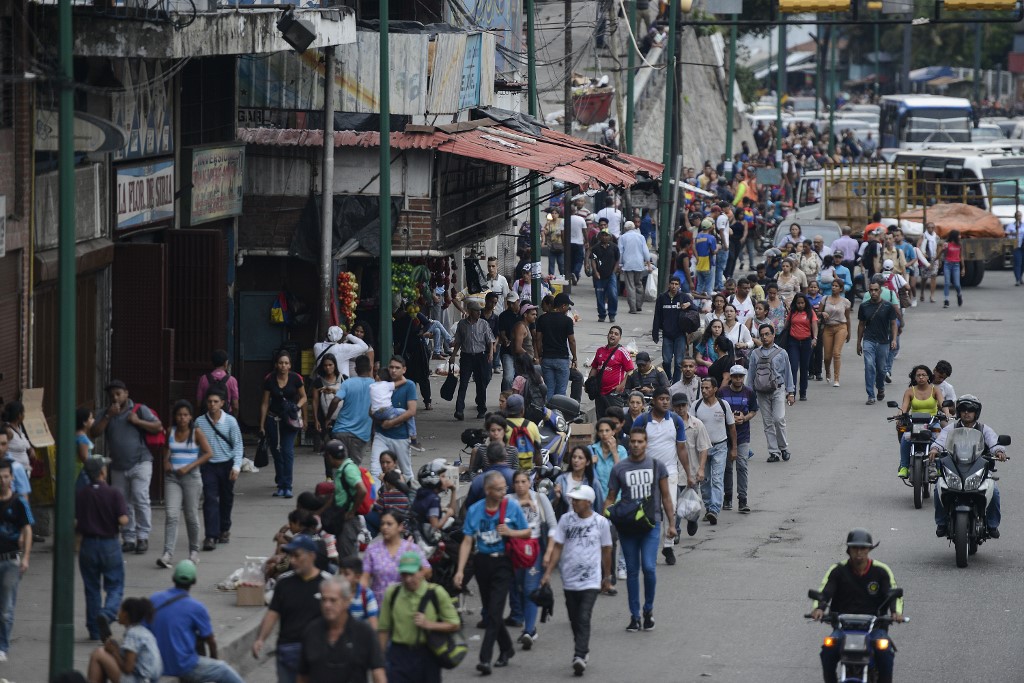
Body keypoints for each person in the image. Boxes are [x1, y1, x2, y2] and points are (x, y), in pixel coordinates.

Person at [454, 471, 531, 675]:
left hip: (504, 563)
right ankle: (507, 648)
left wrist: (510, 532)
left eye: (505, 488)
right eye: (499, 489)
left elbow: (527, 532)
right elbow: (468, 541)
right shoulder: (475, 510)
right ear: (487, 491)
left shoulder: (511, 507)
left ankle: (485, 658)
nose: (504, 491)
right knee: (491, 611)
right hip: (482, 563)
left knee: (494, 611)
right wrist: (460, 570)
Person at [602, 428, 677, 632]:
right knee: (633, 571)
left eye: (640, 442)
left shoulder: (656, 466)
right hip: (627, 527)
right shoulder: (620, 469)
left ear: (646, 443)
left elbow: (666, 497)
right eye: (633, 441)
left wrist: (671, 524)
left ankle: (648, 610)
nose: (635, 445)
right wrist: (603, 518)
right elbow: (610, 498)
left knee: (649, 568)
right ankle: (634, 616)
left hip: (651, 525)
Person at [810, 529, 903, 683]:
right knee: (828, 649)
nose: (859, 552)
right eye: (855, 548)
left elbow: (893, 594)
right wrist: (819, 608)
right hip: (842, 629)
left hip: (875, 629)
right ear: (848, 549)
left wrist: (896, 612)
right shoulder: (838, 571)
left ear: (869, 549)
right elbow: (825, 591)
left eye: (863, 548)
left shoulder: (881, 571)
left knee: (885, 651)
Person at [540, 485, 612, 676]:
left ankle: (579, 655)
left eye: (577, 499)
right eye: (572, 499)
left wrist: (607, 577)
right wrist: (547, 573)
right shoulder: (565, 520)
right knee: (573, 618)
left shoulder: (601, 523)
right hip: (569, 578)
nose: (573, 502)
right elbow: (557, 547)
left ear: (588, 502)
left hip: (591, 579)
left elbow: (606, 550)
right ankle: (583, 649)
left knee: (583, 616)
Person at [91, 380, 162, 554]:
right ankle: (128, 538)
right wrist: (108, 416)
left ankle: (142, 536)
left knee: (140, 496)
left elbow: (158, 426)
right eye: (112, 394)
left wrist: (138, 422)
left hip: (141, 461)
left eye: (118, 393)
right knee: (123, 502)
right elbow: (94, 432)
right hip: (118, 465)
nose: (115, 397)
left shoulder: (139, 409)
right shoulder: (106, 413)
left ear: (126, 393)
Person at [252, 534, 332, 683]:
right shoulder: (283, 582)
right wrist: (260, 639)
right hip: (288, 649)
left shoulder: (327, 583)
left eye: (297, 556)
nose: (293, 561)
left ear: (311, 556)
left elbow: (337, 617)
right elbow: (273, 613)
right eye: (291, 556)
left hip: (317, 651)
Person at [148, 560, 245, 683]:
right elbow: (211, 641)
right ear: (194, 582)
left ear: (173, 578)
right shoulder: (196, 607)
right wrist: (214, 661)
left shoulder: (154, 599)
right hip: (183, 665)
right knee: (223, 670)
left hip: (157, 663)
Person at [929, 394, 1007, 538]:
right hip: (955, 467)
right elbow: (941, 440)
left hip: (979, 468)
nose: (966, 412)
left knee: (994, 491)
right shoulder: (951, 428)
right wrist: (935, 449)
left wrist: (999, 451)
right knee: (938, 487)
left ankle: (992, 524)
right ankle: (941, 523)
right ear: (959, 412)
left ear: (976, 413)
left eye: (970, 410)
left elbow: (995, 442)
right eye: (963, 409)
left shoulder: (984, 429)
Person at [378, 551, 461, 683]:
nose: (408, 579)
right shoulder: (392, 593)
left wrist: (429, 624)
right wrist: (379, 663)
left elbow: (454, 623)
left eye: (412, 574)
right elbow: (383, 628)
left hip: (427, 655)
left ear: (422, 571)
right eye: (404, 574)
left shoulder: (436, 593)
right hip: (398, 654)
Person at [297, 574, 386, 683]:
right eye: (324, 600)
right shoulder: (311, 631)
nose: (327, 605)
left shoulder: (364, 633)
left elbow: (378, 672)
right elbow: (302, 675)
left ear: (347, 601)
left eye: (333, 600)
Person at [76, 457, 127, 642]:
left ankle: (94, 630)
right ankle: (107, 613)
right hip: (109, 543)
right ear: (102, 472)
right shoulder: (113, 494)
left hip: (88, 544)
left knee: (92, 589)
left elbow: (76, 520)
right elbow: (123, 520)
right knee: (115, 585)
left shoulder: (81, 494)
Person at [158, 400, 211, 568]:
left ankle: (194, 552)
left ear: (190, 417)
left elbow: (208, 453)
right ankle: (167, 554)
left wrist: (190, 466)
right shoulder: (170, 431)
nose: (182, 418)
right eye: (179, 415)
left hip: (191, 478)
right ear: (175, 416)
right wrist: (166, 461)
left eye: (186, 415)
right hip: (172, 477)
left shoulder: (196, 433)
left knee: (191, 515)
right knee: (172, 514)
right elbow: (166, 448)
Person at [507, 470, 556, 648]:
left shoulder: (540, 499)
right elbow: (502, 520)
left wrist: (549, 552)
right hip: (514, 550)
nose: (520, 485)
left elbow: (552, 525)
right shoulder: (509, 500)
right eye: (517, 482)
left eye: (523, 482)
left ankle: (529, 630)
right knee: (518, 588)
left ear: (530, 483)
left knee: (529, 588)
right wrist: (522, 503)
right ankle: (527, 625)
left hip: (535, 549)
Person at [259, 351, 307, 499]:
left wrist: (298, 408)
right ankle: (280, 481)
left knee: (287, 451)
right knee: (276, 451)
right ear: (276, 365)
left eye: (286, 363)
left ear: (290, 365)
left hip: (290, 421)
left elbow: (304, 397)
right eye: (280, 363)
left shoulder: (295, 378)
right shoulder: (270, 379)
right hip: (273, 420)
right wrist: (261, 424)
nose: (283, 366)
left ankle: (287, 485)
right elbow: (265, 403)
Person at [746, 325, 796, 463]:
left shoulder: (782, 353)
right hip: (761, 392)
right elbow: (750, 374)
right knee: (767, 422)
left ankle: (784, 448)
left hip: (778, 389)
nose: (764, 337)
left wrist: (790, 392)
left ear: (773, 335)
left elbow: (788, 373)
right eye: (762, 335)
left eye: (767, 334)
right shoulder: (755, 354)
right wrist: (749, 394)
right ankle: (773, 452)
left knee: (779, 419)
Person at [690, 378, 736, 524]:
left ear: (715, 389)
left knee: (717, 479)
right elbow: (691, 428)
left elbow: (732, 427)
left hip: (720, 447)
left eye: (707, 388)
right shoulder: (696, 406)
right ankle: (709, 506)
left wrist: (734, 448)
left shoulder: (723, 405)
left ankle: (714, 510)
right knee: (704, 480)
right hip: (702, 449)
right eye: (702, 388)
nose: (704, 390)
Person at [86, 597, 162, 683]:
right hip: (148, 679)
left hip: (139, 680)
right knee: (104, 655)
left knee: (98, 653)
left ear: (125, 614)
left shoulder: (133, 634)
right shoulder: (144, 632)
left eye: (120, 610)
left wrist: (115, 653)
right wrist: (117, 650)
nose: (118, 614)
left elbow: (128, 668)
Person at [362, 509, 430, 601]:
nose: (385, 527)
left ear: (400, 526)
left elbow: (427, 570)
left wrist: (414, 577)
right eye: (382, 524)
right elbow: (365, 577)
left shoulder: (411, 548)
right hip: (379, 605)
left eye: (389, 524)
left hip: (405, 603)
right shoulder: (372, 550)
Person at [0, 459, 30, 662]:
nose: (2, 481)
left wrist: (26, 557)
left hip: (10, 560)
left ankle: (2, 645)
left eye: (5, 476)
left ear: (11, 478)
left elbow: (27, 528)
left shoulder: (19, 502)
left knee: (6, 608)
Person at [370, 356, 418, 479]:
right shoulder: (381, 384)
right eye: (391, 367)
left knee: (406, 472)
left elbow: (411, 411)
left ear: (404, 370)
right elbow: (371, 411)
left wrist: (391, 423)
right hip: (381, 435)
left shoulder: (409, 385)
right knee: (375, 470)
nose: (393, 370)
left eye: (397, 368)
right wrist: (381, 421)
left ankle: (410, 496)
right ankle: (376, 498)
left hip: (401, 437)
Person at [894, 365, 943, 479]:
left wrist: (947, 413)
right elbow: (904, 407)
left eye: (923, 375)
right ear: (914, 377)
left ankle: (938, 466)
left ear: (928, 377)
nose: (921, 377)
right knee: (905, 439)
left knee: (938, 440)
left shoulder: (935, 390)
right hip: (915, 424)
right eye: (918, 375)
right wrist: (898, 416)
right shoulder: (910, 391)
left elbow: (942, 404)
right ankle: (904, 466)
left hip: (932, 422)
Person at [451, 299, 495, 421]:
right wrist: (453, 355)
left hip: (480, 356)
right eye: (476, 311)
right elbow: (458, 341)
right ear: (470, 311)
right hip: (467, 357)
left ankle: (481, 409)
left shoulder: (483, 324)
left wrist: (490, 353)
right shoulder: (462, 324)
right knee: (463, 383)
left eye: (479, 311)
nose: (479, 313)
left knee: (481, 384)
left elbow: (490, 340)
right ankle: (459, 410)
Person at [856, 282, 899, 406]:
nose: (873, 292)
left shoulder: (888, 306)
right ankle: (870, 395)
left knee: (881, 368)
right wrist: (859, 342)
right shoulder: (864, 306)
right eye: (871, 290)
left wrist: (894, 339)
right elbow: (861, 325)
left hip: (883, 341)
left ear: (880, 291)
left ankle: (880, 387)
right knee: (869, 366)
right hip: (868, 340)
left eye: (876, 290)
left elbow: (893, 324)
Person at [671, 393, 708, 535]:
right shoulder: (669, 425)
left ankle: (692, 520)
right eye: (677, 406)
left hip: (691, 471)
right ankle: (677, 530)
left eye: (683, 405)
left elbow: (703, 448)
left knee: (691, 504)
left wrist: (701, 469)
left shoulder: (697, 425)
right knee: (675, 504)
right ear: (673, 407)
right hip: (673, 471)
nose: (681, 409)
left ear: (687, 405)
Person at [324, 440, 367, 560]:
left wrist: (352, 511)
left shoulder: (348, 469)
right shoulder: (343, 468)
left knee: (348, 558)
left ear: (330, 456)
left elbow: (362, 490)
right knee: (343, 553)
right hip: (342, 516)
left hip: (349, 520)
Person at [331, 355, 374, 472]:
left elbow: (335, 401)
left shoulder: (347, 383)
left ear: (355, 369)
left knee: (338, 466)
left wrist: (327, 417)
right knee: (353, 468)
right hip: (360, 435)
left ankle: (339, 487)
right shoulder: (375, 386)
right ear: (370, 368)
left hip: (341, 430)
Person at [653, 275, 696, 382]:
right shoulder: (662, 298)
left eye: (676, 284)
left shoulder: (684, 297)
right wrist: (655, 332)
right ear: (669, 284)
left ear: (679, 286)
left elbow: (695, 309)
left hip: (680, 334)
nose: (674, 286)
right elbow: (657, 316)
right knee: (666, 361)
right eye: (672, 283)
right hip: (667, 334)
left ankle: (676, 383)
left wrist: (689, 305)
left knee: (678, 362)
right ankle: (668, 378)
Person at [536, 292, 578, 399]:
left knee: (549, 389)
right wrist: (575, 358)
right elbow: (571, 341)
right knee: (560, 392)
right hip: (562, 359)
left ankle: (549, 415)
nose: (568, 310)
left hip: (547, 359)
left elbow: (538, 339)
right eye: (568, 307)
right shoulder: (567, 321)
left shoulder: (542, 319)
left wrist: (540, 354)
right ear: (563, 306)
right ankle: (558, 414)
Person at [588, 326, 635, 417]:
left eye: (616, 334)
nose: (612, 335)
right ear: (608, 335)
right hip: (599, 393)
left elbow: (630, 371)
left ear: (620, 338)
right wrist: (589, 383)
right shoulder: (600, 350)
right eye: (611, 333)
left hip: (613, 393)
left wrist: (621, 386)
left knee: (615, 420)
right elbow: (594, 368)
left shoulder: (622, 352)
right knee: (601, 420)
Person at [819, 278, 852, 387]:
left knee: (836, 353)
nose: (833, 287)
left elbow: (847, 318)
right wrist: (822, 313)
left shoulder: (845, 302)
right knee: (827, 356)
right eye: (833, 285)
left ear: (841, 289)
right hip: (828, 327)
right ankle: (828, 370)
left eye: (836, 286)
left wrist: (849, 331)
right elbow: (818, 312)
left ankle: (836, 378)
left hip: (841, 327)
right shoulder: (825, 299)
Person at [784, 294, 818, 401]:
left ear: (805, 303)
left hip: (806, 342)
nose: (800, 305)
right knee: (793, 368)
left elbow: (814, 325)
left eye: (802, 303)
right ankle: (792, 392)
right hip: (793, 341)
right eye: (798, 303)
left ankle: (803, 392)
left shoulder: (810, 312)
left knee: (804, 368)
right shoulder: (792, 312)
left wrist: (815, 338)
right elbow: (786, 325)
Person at [465, 442, 515, 508]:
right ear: (506, 455)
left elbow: (469, 506)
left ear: (487, 458)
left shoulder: (478, 481)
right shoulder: (516, 477)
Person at [618, 220, 653, 314]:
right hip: (639, 264)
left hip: (628, 264)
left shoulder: (623, 237)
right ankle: (639, 305)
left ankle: (632, 307)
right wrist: (648, 264)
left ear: (625, 228)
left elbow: (620, 252)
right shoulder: (640, 237)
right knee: (639, 284)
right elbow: (646, 251)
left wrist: (620, 264)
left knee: (630, 286)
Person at [504, 395, 543, 472]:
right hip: (527, 472)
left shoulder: (501, 426)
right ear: (522, 410)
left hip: (506, 471)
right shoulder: (532, 426)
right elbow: (538, 452)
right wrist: (539, 473)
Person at [196, 350, 239, 416]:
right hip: (226, 416)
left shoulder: (203, 378)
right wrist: (234, 418)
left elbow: (198, 403)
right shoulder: (232, 380)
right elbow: (235, 405)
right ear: (226, 363)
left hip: (208, 416)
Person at [311, 354, 343, 441]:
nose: (328, 368)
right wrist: (316, 419)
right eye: (325, 365)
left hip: (342, 418)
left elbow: (349, 397)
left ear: (335, 365)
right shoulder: (318, 382)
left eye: (330, 365)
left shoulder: (344, 379)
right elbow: (315, 401)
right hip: (324, 418)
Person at [590, 229, 620, 322]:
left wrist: (614, 272)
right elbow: (593, 260)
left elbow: (617, 260)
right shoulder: (595, 248)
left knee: (612, 294)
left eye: (606, 235)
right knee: (600, 295)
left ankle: (612, 314)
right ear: (599, 237)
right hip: (599, 276)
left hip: (611, 275)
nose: (604, 237)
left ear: (610, 237)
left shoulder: (614, 247)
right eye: (602, 235)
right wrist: (595, 272)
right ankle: (602, 314)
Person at [497, 294, 522, 390]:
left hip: (521, 351)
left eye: (513, 303)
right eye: (509, 303)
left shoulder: (522, 315)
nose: (511, 305)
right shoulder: (503, 316)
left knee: (519, 378)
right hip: (508, 351)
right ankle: (505, 398)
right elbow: (502, 332)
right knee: (508, 378)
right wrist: (505, 339)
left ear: (518, 301)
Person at [939, 229, 964, 308]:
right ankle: (946, 300)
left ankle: (959, 294)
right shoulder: (947, 244)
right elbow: (941, 253)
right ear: (954, 236)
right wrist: (936, 260)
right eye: (958, 235)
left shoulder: (959, 244)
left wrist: (963, 268)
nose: (960, 236)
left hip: (956, 265)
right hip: (947, 264)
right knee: (947, 283)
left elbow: (961, 256)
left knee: (957, 284)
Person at [693, 219, 718, 295]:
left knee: (699, 285)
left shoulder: (698, 236)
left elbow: (694, 248)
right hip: (708, 263)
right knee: (708, 286)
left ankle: (697, 302)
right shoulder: (711, 238)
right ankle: (709, 303)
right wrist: (718, 248)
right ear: (710, 227)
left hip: (699, 262)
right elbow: (713, 252)